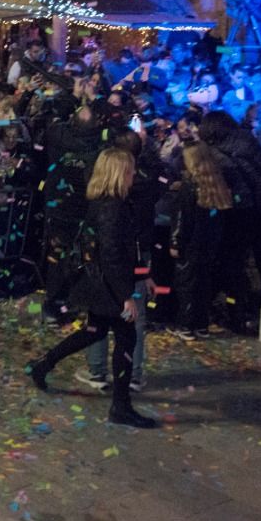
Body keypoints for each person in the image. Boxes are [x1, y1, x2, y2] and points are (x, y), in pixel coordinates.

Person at [25, 148, 157, 428]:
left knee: (93, 332)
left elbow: (127, 248)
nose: (134, 175)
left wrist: (143, 275)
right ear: (119, 173)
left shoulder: (109, 202)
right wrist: (126, 297)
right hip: (108, 287)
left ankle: (44, 364)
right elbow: (110, 255)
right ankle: (121, 407)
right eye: (130, 170)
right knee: (125, 339)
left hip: (103, 285)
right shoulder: (113, 208)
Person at [170, 143, 233, 340]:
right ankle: (201, 324)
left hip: (190, 245)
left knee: (186, 284)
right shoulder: (216, 187)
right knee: (204, 284)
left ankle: (185, 325)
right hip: (209, 245)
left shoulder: (189, 189)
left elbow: (183, 219)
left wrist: (175, 242)